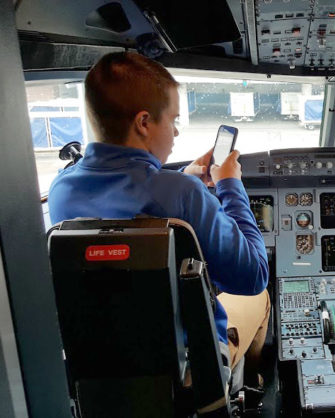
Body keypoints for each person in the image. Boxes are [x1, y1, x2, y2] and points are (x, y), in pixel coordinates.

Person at [48, 52, 270, 386]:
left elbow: (130, 202)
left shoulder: (61, 188)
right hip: (188, 370)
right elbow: (253, 275)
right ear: (144, 123)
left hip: (99, 369)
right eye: (173, 120)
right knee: (261, 298)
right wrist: (229, 184)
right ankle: (243, 389)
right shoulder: (182, 193)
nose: (177, 133)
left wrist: (186, 176)